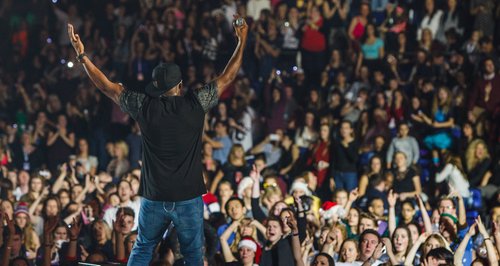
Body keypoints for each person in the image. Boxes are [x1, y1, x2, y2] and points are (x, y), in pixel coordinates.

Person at [67, 13, 248, 265]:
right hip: (187, 196)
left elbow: (108, 86)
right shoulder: (195, 103)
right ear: (179, 85)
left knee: (142, 248)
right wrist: (242, 41)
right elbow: (227, 77)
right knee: (194, 253)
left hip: (155, 196)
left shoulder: (145, 106)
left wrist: (82, 56)